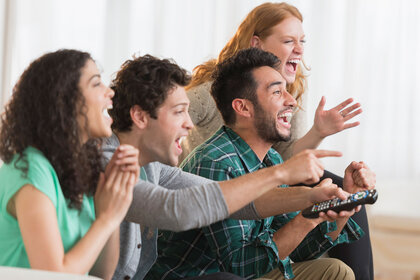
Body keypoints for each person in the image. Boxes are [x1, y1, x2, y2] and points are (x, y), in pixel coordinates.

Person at [102, 54, 350, 280]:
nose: (189, 124)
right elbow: (178, 209)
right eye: (179, 112)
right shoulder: (107, 161)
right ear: (140, 117)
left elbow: (235, 202)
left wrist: (311, 198)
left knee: (337, 270)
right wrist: (282, 174)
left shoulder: (154, 166)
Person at [182, 3, 373, 279]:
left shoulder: (271, 156)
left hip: (262, 168)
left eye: (302, 41)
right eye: (288, 40)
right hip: (212, 258)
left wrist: (340, 207)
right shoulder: (212, 121)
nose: (291, 102)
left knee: (337, 260)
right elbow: (168, 115)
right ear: (257, 43)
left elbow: (286, 158)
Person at [0, 49, 139, 279]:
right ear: (64, 100)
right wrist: (105, 220)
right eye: (96, 84)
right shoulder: (30, 169)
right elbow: (53, 275)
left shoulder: (76, 169)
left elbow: (101, 273)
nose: (110, 92)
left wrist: (112, 208)